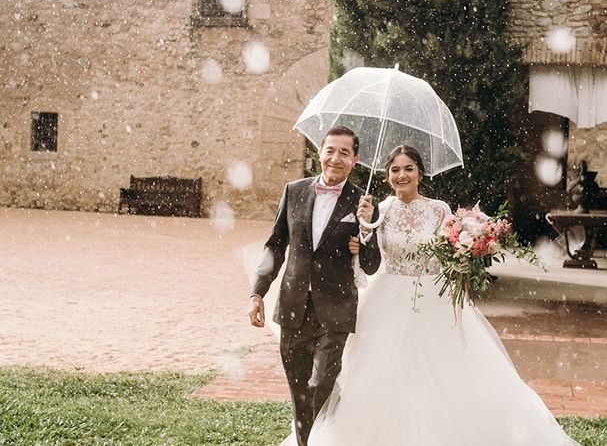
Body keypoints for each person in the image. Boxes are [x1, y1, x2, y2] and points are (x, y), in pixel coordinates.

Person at [307, 144, 580, 446]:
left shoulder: (439, 209)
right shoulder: (379, 209)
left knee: (439, 371)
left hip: (432, 298)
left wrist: (469, 251)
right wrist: (366, 231)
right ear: (387, 176)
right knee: (382, 373)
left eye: (408, 168)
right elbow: (370, 263)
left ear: (420, 173)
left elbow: (453, 252)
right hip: (386, 296)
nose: (402, 175)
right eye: (395, 170)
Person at [247, 125, 381, 446]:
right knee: (299, 394)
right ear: (319, 153)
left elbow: (372, 264)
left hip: (336, 311)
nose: (335, 158)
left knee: (321, 386)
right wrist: (257, 293)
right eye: (330, 150)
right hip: (293, 307)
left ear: (355, 159)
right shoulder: (294, 190)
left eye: (344, 153)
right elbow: (275, 247)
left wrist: (365, 230)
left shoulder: (363, 201)